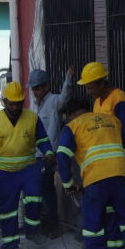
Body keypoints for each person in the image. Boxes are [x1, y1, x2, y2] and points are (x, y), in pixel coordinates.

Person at [56, 98, 125, 249]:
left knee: (93, 227)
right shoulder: (112, 120)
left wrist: (68, 183)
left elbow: (62, 154)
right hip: (121, 176)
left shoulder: (73, 126)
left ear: (72, 115)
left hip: (96, 181)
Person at [0, 82, 55, 249]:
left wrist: (49, 152)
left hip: (29, 168)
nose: (15, 107)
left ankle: (32, 231)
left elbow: (43, 139)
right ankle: (10, 245)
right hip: (4, 173)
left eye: (18, 103)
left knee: (34, 197)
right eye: (11, 103)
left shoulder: (32, 118)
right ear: (4, 101)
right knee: (7, 211)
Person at [78, 61, 125, 249]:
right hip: (103, 168)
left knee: (119, 214)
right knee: (107, 213)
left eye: (91, 86)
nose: (88, 90)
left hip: (118, 166)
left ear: (102, 83)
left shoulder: (119, 100)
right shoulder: (97, 102)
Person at [27, 67, 75, 238]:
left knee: (46, 192)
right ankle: (47, 225)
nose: (34, 92)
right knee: (43, 191)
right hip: (37, 156)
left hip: (48, 156)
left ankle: (51, 226)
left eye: (37, 88)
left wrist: (68, 79)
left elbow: (64, 98)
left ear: (46, 87)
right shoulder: (35, 107)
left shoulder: (54, 101)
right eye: (33, 89)